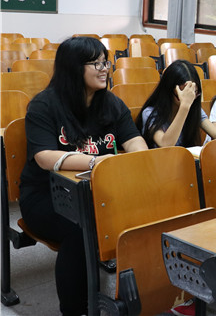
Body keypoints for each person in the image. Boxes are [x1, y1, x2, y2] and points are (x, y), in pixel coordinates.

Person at [19, 36, 148, 315]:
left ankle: (147, 298)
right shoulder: (45, 105)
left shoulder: (111, 103)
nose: (104, 69)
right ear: (74, 68)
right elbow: (44, 157)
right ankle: (76, 309)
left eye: (106, 63)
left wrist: (137, 157)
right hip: (47, 196)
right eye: (96, 64)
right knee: (81, 230)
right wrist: (97, 162)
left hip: (98, 193)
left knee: (147, 215)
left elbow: (134, 139)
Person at [137, 59, 216, 148]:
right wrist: (184, 106)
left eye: (194, 92)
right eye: (184, 92)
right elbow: (165, 144)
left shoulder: (193, 108)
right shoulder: (150, 112)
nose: (190, 97)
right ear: (169, 89)